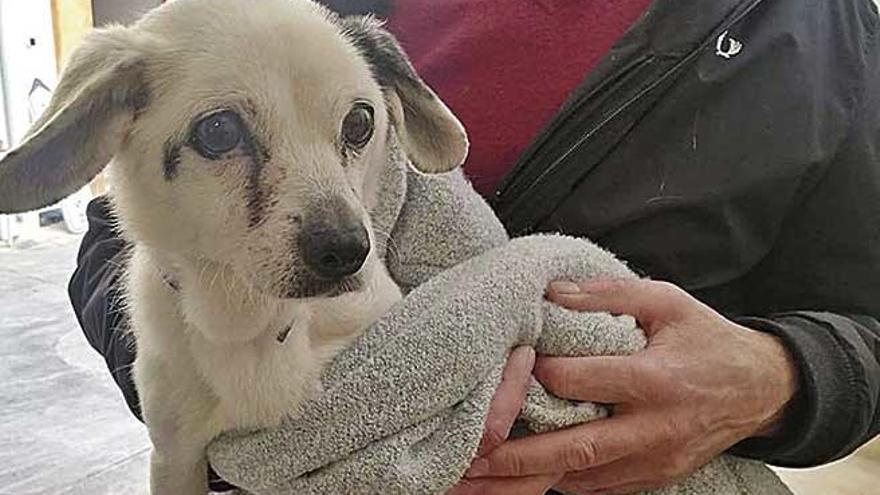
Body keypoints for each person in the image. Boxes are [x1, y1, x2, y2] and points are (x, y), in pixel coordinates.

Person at [70, 0, 880, 493]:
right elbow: (116, 226)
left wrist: (775, 378)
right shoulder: (235, 28)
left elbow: (866, 324)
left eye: (356, 128)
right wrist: (198, 391)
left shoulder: (823, 27)